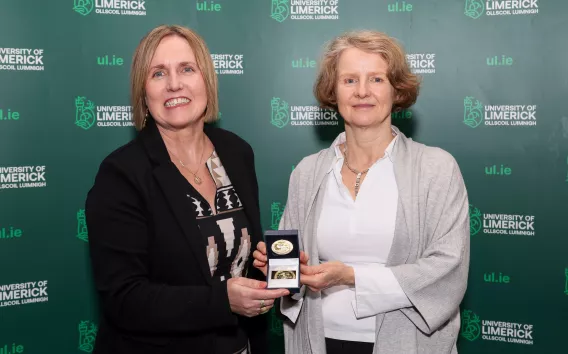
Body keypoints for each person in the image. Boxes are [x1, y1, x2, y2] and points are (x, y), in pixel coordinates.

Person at [253, 30, 470, 354]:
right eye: (350, 80)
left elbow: (447, 272)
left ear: (397, 89)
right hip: (319, 344)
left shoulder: (436, 169)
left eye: (377, 79)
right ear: (333, 90)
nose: (362, 92)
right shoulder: (307, 173)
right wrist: (279, 269)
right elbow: (292, 282)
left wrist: (352, 276)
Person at [85, 25, 289, 354]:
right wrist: (223, 301)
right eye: (158, 73)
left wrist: (269, 269)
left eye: (187, 69)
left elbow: (234, 259)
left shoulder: (236, 152)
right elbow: (124, 298)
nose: (174, 84)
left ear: (206, 79)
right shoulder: (121, 174)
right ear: (143, 93)